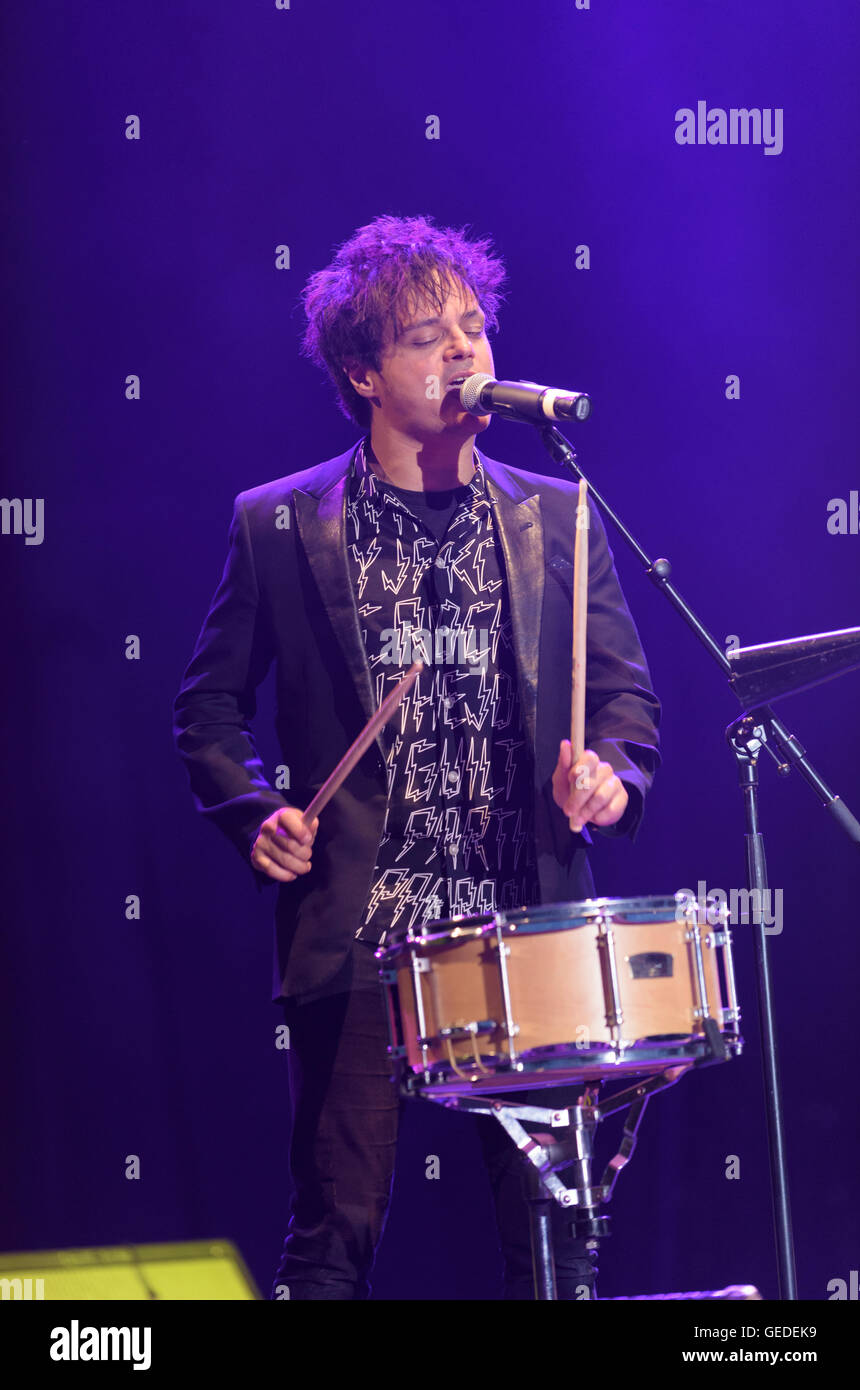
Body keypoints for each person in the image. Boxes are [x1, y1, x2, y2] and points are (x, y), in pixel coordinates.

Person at [173, 213, 661, 1300]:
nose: (466, 353)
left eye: (475, 328)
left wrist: (611, 778)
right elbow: (206, 707)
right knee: (334, 1231)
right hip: (362, 926)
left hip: (521, 920)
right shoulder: (283, 525)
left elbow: (625, 697)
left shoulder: (559, 517)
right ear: (362, 370)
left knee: (552, 1240)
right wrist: (256, 813)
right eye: (428, 336)